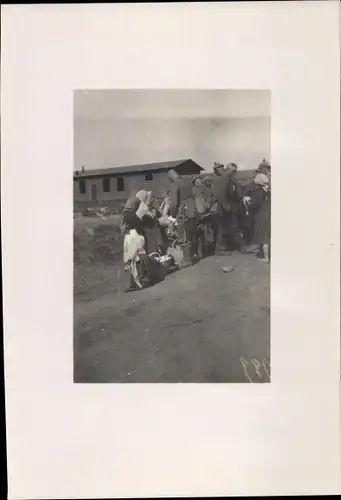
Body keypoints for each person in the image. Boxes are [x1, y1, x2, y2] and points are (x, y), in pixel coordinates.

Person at [211, 162, 245, 255]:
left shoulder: (224, 178)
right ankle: (240, 246)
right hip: (223, 207)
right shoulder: (222, 179)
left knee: (224, 228)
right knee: (231, 227)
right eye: (233, 170)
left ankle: (221, 249)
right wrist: (226, 205)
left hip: (225, 206)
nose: (234, 172)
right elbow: (221, 194)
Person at [168, 169, 198, 266]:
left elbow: (174, 203)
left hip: (183, 212)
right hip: (192, 210)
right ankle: (191, 256)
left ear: (171, 177)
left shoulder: (175, 184)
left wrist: (172, 215)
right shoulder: (188, 182)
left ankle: (187, 260)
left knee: (183, 235)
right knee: (190, 235)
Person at [244, 172, 271, 262]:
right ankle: (264, 254)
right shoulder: (268, 190)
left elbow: (254, 205)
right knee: (267, 235)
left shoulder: (258, 192)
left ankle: (266, 257)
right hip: (268, 213)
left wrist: (247, 202)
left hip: (261, 215)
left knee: (263, 237)